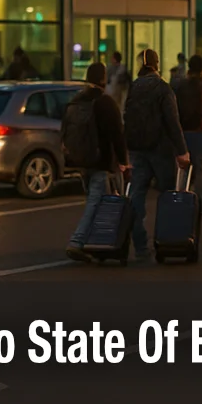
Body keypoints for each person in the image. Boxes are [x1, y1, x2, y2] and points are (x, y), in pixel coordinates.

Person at [123, 49, 190, 262]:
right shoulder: (163, 88)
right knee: (168, 197)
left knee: (136, 197)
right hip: (160, 150)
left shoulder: (133, 87)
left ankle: (141, 246)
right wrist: (182, 151)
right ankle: (167, 242)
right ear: (157, 64)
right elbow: (172, 122)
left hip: (136, 150)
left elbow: (127, 118)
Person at [63, 62, 128, 263]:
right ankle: (77, 242)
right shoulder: (105, 102)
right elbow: (117, 134)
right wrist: (123, 161)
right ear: (103, 79)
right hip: (101, 161)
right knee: (95, 203)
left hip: (81, 160)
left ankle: (98, 243)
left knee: (94, 200)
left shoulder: (76, 100)